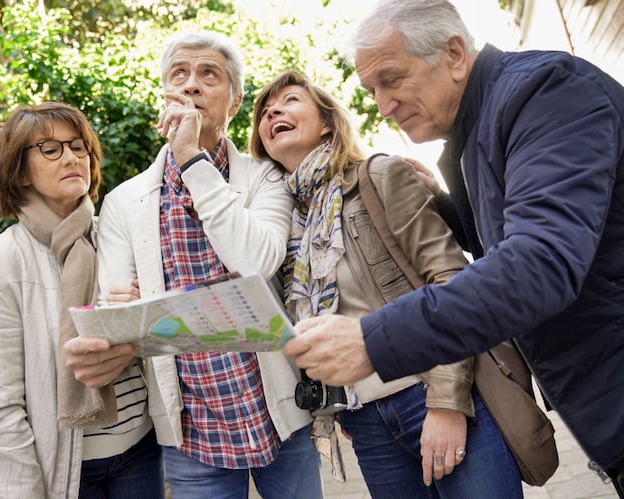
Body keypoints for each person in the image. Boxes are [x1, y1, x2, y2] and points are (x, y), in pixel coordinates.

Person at [281, 0, 624, 494]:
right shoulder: (475, 132)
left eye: (392, 79)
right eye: (372, 90)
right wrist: (445, 209)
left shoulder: (544, 91)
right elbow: (506, 235)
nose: (383, 104)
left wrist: (373, 340)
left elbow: (540, 264)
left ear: (455, 54)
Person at [64, 32, 322, 499]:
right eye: (178, 74)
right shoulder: (124, 202)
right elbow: (123, 313)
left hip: (279, 414)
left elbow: (256, 263)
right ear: (164, 95)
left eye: (209, 75)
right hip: (192, 431)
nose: (192, 85)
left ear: (236, 101)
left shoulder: (267, 177)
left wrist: (190, 158)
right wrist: (129, 313)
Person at [250, 70, 521, 498]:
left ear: (326, 122)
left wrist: (447, 402)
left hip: (432, 391)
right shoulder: (278, 228)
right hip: (367, 422)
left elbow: (452, 282)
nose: (273, 111)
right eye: (265, 112)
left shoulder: (378, 176)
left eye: (290, 101)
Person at [0, 102, 163, 498]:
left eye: (77, 146)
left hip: (140, 451)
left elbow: (167, 340)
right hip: (68, 469)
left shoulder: (117, 238)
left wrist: (142, 318)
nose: (71, 157)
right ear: (19, 171)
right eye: (50, 149)